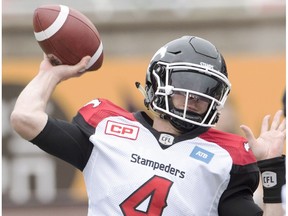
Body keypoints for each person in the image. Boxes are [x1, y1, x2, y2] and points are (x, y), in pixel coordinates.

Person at [10, 36, 286, 216]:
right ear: (157, 82)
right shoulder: (107, 129)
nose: (194, 99)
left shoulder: (224, 159)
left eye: (205, 91)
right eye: (185, 87)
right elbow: (25, 118)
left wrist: (271, 167)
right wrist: (50, 74)